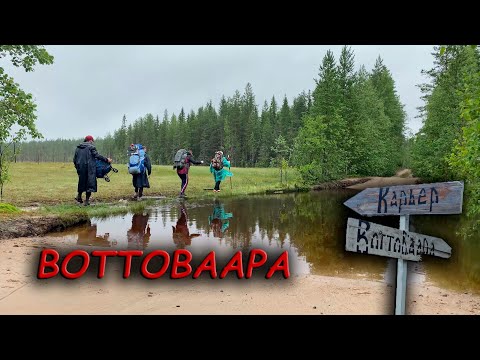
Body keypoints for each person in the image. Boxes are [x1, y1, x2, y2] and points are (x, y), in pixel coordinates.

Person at [73, 135, 112, 206]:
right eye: (92, 141)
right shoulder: (91, 147)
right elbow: (97, 155)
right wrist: (107, 160)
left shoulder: (78, 148)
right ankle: (87, 201)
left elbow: (74, 160)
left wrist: (78, 168)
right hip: (90, 168)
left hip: (81, 168)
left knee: (81, 182)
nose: (92, 142)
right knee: (90, 184)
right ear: (90, 141)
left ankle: (79, 197)